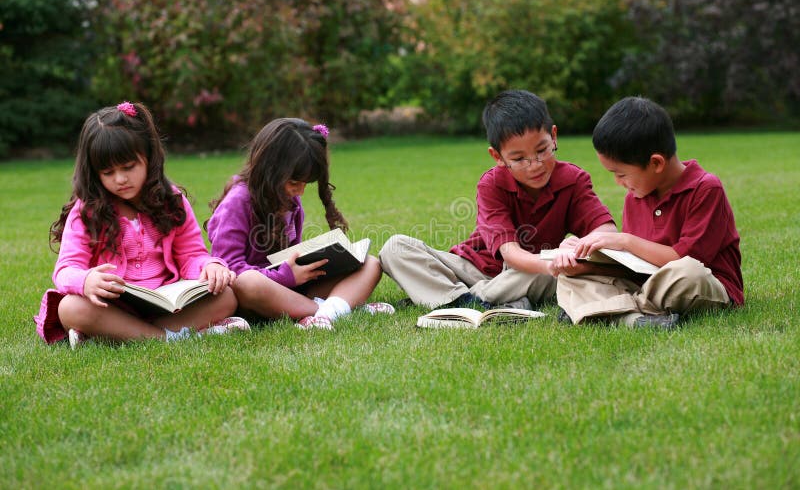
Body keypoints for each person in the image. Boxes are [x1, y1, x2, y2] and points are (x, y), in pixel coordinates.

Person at [35, 101, 247, 349]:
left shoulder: (171, 201)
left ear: (149, 157)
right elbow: (66, 268)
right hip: (112, 306)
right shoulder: (87, 211)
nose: (120, 179)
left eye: (129, 167)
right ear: (93, 173)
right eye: (108, 172)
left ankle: (117, 336)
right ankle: (167, 338)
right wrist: (86, 280)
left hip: (167, 304)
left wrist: (209, 266)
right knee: (70, 308)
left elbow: (191, 255)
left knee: (226, 296)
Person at [379, 89, 617, 309]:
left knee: (563, 273)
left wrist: (575, 249)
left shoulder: (573, 180)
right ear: (498, 156)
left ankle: (458, 298)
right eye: (519, 158)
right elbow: (511, 254)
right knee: (395, 248)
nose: (535, 165)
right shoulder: (491, 184)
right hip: (474, 268)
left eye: (542, 150)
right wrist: (550, 264)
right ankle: (480, 299)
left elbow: (607, 231)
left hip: (530, 272)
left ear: (553, 136)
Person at [553, 96, 743, 329]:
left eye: (621, 174)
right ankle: (635, 319)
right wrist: (584, 265)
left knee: (687, 272)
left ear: (656, 163)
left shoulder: (705, 188)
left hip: (703, 284)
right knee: (570, 277)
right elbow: (634, 268)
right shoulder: (635, 197)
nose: (618, 182)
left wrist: (623, 240)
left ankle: (599, 311)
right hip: (647, 284)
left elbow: (684, 259)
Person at [206, 118, 394, 330]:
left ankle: (327, 312)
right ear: (269, 169)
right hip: (257, 296)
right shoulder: (238, 202)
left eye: (306, 184)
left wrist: (311, 262)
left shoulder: (290, 201)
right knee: (248, 282)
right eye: (294, 183)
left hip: (293, 289)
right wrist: (285, 276)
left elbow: (288, 255)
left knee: (370, 264)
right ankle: (335, 310)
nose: (301, 192)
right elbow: (229, 270)